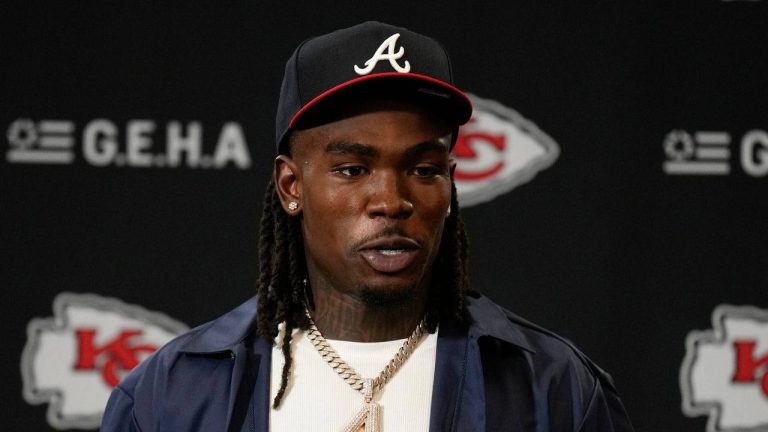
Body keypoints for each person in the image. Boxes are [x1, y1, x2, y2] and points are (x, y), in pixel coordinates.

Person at [101, 21, 634, 432]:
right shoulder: (176, 392)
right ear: (291, 187)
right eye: (352, 169)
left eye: (423, 169)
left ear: (449, 184)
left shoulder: (550, 386)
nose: (391, 200)